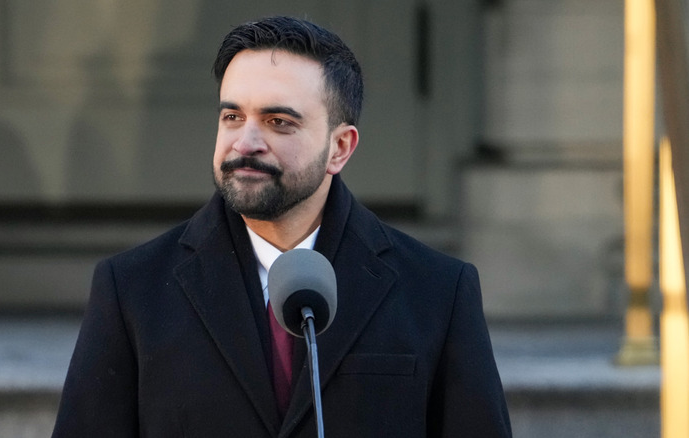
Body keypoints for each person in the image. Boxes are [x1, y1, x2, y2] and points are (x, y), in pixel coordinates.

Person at [52, 16, 511, 438]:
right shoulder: (132, 289)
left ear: (340, 148)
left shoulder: (438, 291)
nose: (246, 142)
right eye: (232, 117)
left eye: (278, 122)